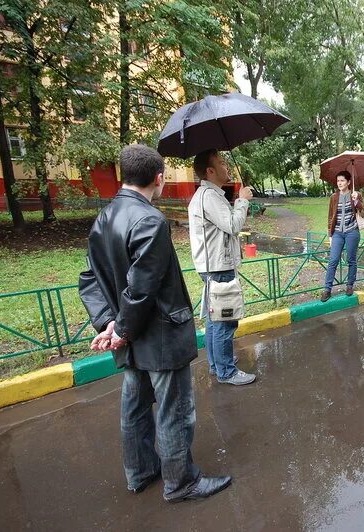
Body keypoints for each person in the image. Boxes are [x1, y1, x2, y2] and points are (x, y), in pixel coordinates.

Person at [79, 144, 231, 502]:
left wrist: (109, 324)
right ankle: (181, 483)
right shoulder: (150, 220)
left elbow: (89, 279)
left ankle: (141, 472)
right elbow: (142, 288)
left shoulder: (104, 217)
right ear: (159, 178)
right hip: (159, 336)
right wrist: (120, 329)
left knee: (134, 409)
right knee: (174, 410)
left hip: (131, 338)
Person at [188, 149, 256, 386]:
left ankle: (217, 363)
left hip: (213, 265)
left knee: (215, 318)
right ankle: (226, 371)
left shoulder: (208, 194)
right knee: (225, 320)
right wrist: (243, 200)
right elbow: (233, 225)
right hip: (218, 267)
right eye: (222, 163)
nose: (226, 167)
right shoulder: (209, 196)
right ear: (210, 170)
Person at [321, 170, 364, 302]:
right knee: (333, 260)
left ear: (348, 182)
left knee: (351, 260)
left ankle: (350, 285)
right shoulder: (334, 197)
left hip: (352, 232)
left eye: (342, 180)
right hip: (337, 233)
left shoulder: (356, 195)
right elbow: (330, 217)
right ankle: (327, 289)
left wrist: (356, 201)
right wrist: (330, 235)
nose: (339, 183)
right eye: (338, 181)